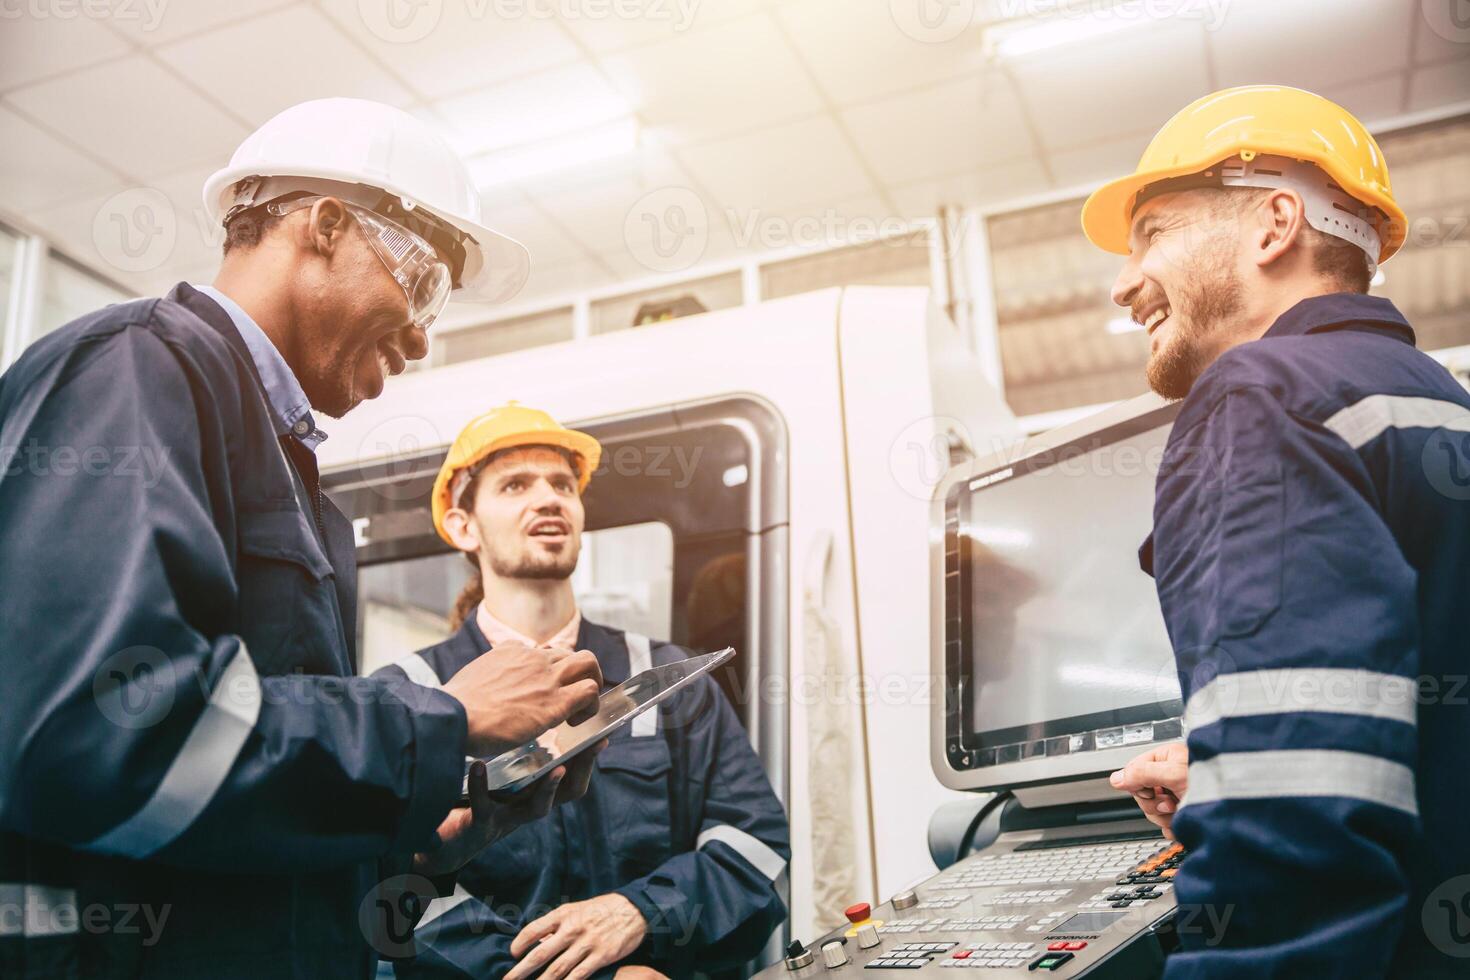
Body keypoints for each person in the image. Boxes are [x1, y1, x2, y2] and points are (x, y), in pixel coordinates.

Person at [0, 99, 605, 980]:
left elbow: (230, 806)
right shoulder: (138, 370)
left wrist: (424, 824)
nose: (425, 337)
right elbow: (97, 732)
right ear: (325, 227)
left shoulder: (294, 483)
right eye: (425, 284)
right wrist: (437, 722)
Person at [1086, 85, 1470, 977]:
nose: (1122, 283)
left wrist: (1260, 781)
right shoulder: (1438, 403)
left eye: (1154, 234)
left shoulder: (1260, 395)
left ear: (1274, 224)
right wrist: (1230, 770)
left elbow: (1297, 819)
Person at [376, 403, 790, 980]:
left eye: (563, 485)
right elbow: (388, 889)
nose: (548, 498)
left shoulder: (668, 681)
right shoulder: (411, 697)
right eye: (515, 484)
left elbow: (755, 849)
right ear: (463, 524)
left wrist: (641, 911)